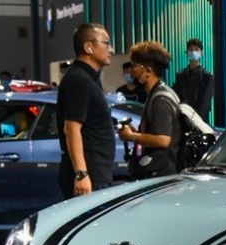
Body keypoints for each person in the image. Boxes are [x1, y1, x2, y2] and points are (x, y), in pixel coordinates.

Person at [57, 23, 116, 199]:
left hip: (96, 174)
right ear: (88, 47)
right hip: (89, 177)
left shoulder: (89, 78)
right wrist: (81, 174)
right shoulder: (79, 80)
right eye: (106, 43)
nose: (111, 49)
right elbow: (71, 129)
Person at [118, 41, 181, 177]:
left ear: (147, 71)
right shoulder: (157, 93)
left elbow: (163, 140)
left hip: (163, 174)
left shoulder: (160, 99)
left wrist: (132, 136)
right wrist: (138, 132)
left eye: (135, 66)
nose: (132, 71)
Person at [173, 38, 214, 121]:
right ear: (187, 53)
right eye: (190, 49)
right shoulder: (180, 75)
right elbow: (176, 97)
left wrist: (194, 119)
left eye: (196, 49)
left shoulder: (207, 77)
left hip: (200, 122)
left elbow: (205, 104)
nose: (193, 52)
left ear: (201, 53)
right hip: (182, 119)